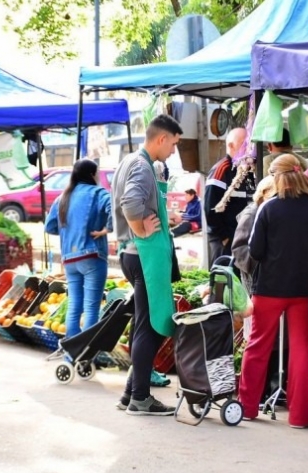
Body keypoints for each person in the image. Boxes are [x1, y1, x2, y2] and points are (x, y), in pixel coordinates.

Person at [238, 154, 308, 427]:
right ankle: (300, 416)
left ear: (278, 178)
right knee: (302, 350)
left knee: (257, 346)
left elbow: (254, 251)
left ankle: (247, 407)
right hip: (306, 289)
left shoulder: (269, 208)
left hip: (269, 288)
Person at [112, 114, 183, 416]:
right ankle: (140, 397)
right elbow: (130, 203)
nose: (173, 151)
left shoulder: (130, 161)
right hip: (143, 256)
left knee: (143, 324)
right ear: (161, 139)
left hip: (132, 256)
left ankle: (130, 393)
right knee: (151, 329)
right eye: (174, 144)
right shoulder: (142, 166)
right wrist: (141, 229)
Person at [45, 158, 112, 338]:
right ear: (92, 174)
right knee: (91, 308)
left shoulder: (62, 197)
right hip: (92, 256)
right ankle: (85, 354)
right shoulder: (99, 193)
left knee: (75, 305)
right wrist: (107, 229)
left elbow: (50, 226)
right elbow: (116, 208)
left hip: (69, 259)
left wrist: (70, 231)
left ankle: (71, 353)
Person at [204, 127, 255, 268]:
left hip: (245, 239)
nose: (249, 148)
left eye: (250, 143)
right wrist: (225, 237)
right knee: (224, 281)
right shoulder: (222, 169)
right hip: (226, 240)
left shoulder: (248, 169)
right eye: (244, 144)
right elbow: (210, 208)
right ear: (231, 145)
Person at [231, 176, 276, 295]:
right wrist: (256, 270)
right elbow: (240, 249)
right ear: (265, 193)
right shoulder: (252, 213)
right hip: (254, 274)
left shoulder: (266, 211)